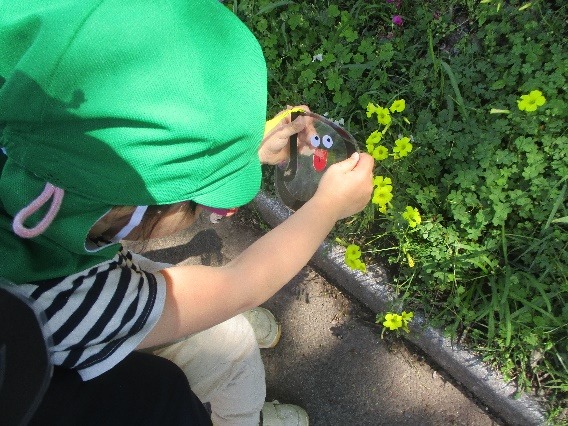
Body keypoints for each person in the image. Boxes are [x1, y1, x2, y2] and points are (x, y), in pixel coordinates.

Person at [0, 0, 374, 424]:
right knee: (230, 349)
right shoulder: (66, 302)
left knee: (217, 329)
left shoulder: (28, 137)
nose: (217, 211)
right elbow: (238, 285)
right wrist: (326, 208)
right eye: (206, 202)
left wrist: (240, 152)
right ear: (127, 211)